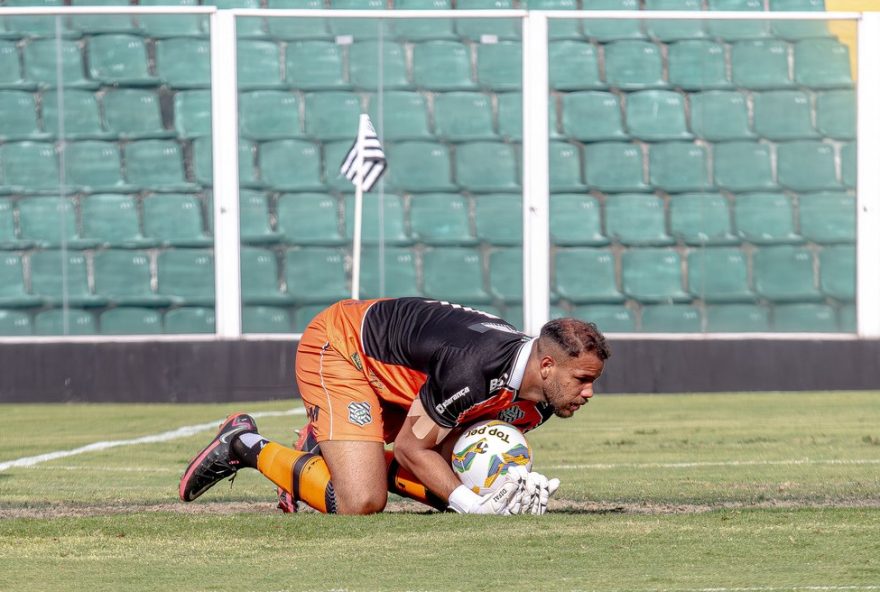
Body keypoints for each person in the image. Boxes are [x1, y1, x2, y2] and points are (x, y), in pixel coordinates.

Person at [179, 297, 609, 515]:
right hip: (342, 346)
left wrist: (507, 481)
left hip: (404, 378)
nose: (589, 393)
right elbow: (411, 449)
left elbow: (458, 447)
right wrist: (476, 505)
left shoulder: (540, 395)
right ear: (548, 366)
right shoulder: (471, 368)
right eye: (583, 380)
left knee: (455, 486)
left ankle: (327, 448)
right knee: (362, 501)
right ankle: (243, 444)